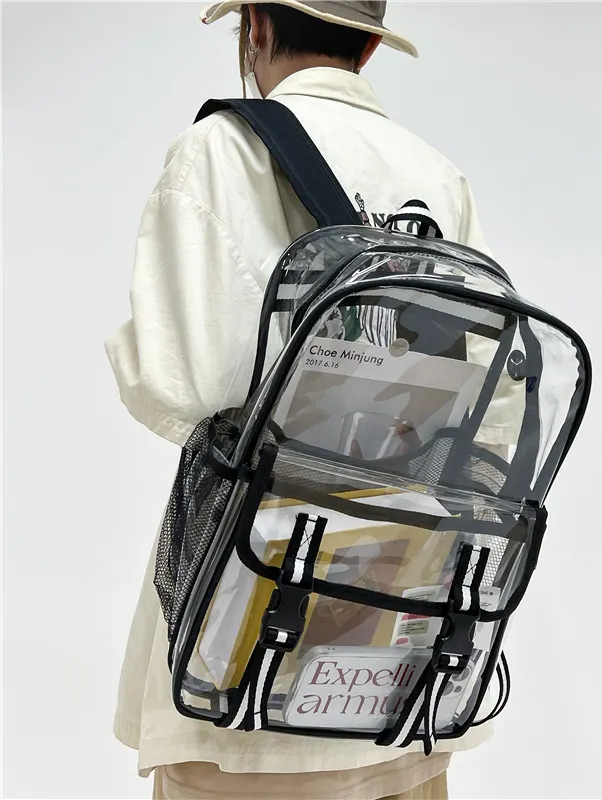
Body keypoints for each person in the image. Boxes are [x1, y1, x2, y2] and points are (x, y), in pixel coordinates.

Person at [106, 2, 515, 798]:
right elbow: (493, 404)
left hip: (247, 647)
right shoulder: (435, 174)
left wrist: (128, 348)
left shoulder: (222, 151)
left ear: (255, 27)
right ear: (368, 47)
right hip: (407, 652)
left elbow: (183, 382)